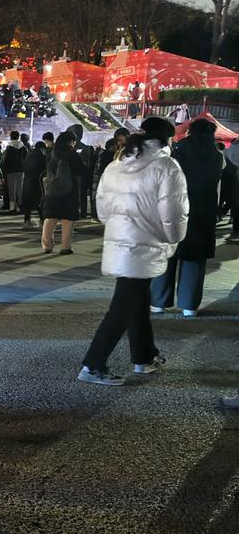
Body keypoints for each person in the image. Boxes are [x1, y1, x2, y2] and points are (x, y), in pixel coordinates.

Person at [78, 118, 188, 386]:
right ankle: (92, 365)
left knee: (136, 299)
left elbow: (102, 207)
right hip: (146, 243)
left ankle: (145, 356)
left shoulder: (118, 164)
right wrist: (173, 238)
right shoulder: (166, 166)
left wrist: (120, 225)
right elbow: (173, 212)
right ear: (166, 139)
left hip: (121, 240)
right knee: (123, 306)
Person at [150, 117, 222, 316]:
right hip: (204, 213)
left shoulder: (178, 152)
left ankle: (158, 302)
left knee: (168, 255)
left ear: (190, 132)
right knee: (195, 259)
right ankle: (189, 306)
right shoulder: (216, 156)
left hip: (176, 209)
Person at [41, 131, 85, 255]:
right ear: (70, 141)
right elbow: (80, 170)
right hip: (69, 190)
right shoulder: (72, 154)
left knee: (50, 218)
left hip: (51, 189)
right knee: (68, 219)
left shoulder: (51, 154)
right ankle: (65, 247)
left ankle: (47, 245)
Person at [1, 129, 25, 212]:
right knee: (20, 188)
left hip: (11, 171)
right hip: (21, 171)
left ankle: (12, 207)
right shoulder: (23, 147)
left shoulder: (9, 147)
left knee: (12, 189)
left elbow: (5, 160)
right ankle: (20, 206)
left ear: (11, 137)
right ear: (18, 137)